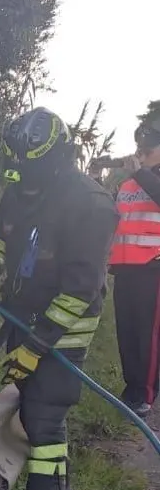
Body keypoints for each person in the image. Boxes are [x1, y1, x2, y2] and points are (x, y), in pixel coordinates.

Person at [0, 107, 119, 490]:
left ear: (56, 158)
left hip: (65, 326)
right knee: (33, 407)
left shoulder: (90, 204)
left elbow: (80, 288)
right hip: (23, 313)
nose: (21, 175)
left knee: (45, 413)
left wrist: (37, 346)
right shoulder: (22, 186)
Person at [109, 105, 160, 416]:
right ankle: (132, 388)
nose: (140, 156)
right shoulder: (128, 184)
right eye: (139, 150)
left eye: (148, 150)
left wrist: (140, 173)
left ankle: (144, 394)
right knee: (127, 333)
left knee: (147, 336)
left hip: (152, 269)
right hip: (125, 270)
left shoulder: (146, 179)